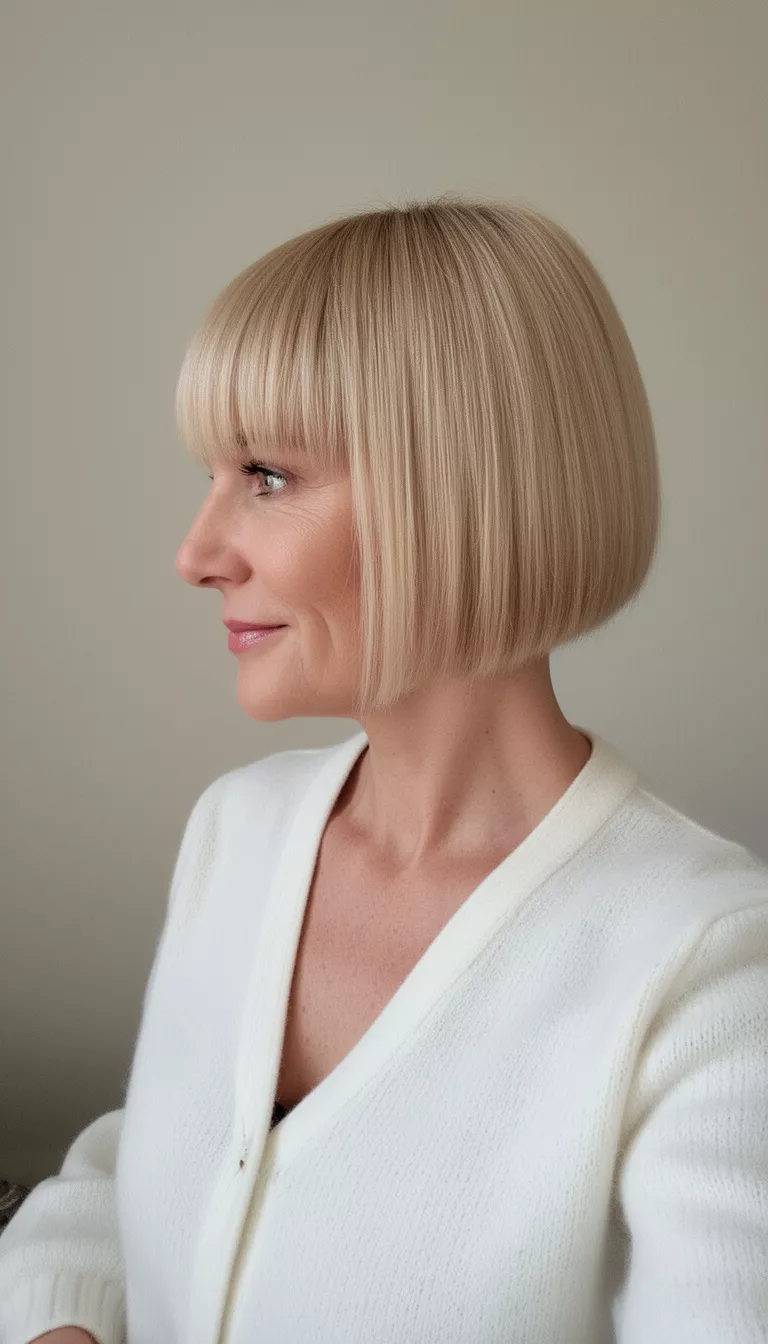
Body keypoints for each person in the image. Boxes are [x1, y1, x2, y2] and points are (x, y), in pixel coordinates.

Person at [2, 194, 767, 1344]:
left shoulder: (703, 967)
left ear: (458, 491)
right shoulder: (237, 833)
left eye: (263, 475)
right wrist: (62, 1318)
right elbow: (142, 1168)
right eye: (212, 474)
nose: (195, 553)